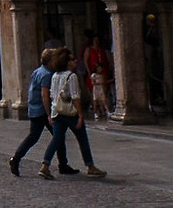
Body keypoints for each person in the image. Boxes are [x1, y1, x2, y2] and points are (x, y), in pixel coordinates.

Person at [45, 47, 104, 178]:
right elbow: (75, 97)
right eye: (72, 59)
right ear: (66, 62)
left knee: (56, 139)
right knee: (82, 138)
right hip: (70, 113)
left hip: (57, 112)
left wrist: (51, 113)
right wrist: (80, 114)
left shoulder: (55, 76)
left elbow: (52, 95)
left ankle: (45, 165)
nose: (75, 61)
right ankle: (90, 166)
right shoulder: (71, 76)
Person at [8, 47, 58, 177]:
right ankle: (59, 164)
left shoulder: (38, 71)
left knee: (35, 137)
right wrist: (49, 114)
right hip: (42, 110)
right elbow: (44, 94)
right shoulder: (47, 74)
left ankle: (16, 158)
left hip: (34, 108)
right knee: (57, 135)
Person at [82, 35, 113, 123]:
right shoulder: (89, 49)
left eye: (97, 40)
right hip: (93, 71)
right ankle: (97, 110)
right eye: (95, 40)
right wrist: (89, 71)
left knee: (104, 92)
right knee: (94, 95)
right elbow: (86, 60)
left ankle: (104, 109)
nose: (96, 41)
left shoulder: (102, 49)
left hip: (103, 71)